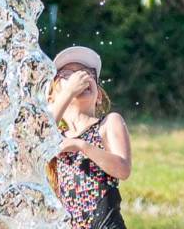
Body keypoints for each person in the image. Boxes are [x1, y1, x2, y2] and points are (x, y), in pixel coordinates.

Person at [47, 45, 131, 229]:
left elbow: (123, 170)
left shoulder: (109, 123)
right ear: (52, 97)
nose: (80, 78)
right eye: (67, 75)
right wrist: (68, 93)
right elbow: (34, 139)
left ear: (99, 95)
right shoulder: (53, 136)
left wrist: (81, 145)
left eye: (87, 74)